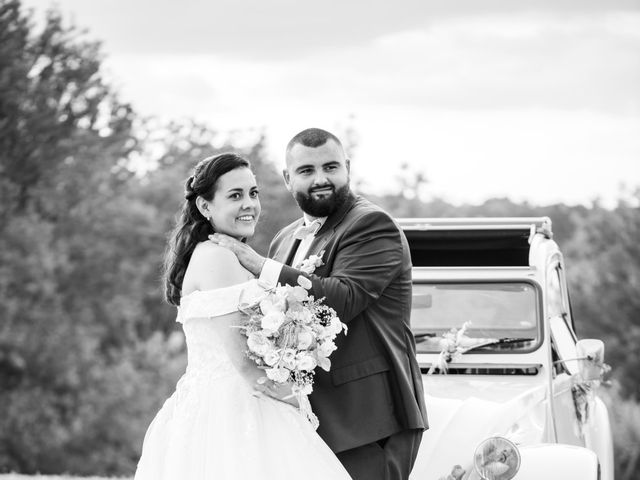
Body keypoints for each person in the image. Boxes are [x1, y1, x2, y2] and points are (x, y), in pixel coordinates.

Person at [209, 128, 428, 480]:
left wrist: (257, 264)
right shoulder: (285, 238)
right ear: (287, 177)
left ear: (348, 168)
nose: (321, 179)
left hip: (367, 417)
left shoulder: (372, 224)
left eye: (331, 167)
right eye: (307, 171)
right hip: (305, 416)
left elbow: (342, 299)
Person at [134, 153, 352, 480]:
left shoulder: (227, 254)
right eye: (235, 195)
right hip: (234, 410)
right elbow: (245, 365)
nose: (249, 203)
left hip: (238, 399)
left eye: (253, 193)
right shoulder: (217, 257)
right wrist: (300, 404)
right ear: (206, 207)